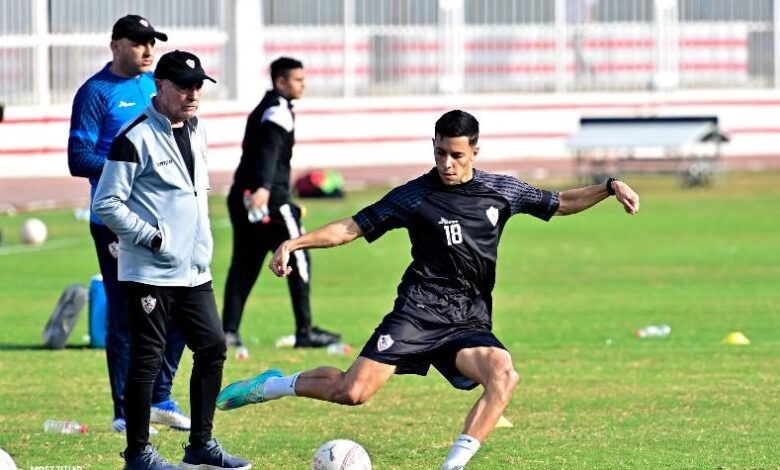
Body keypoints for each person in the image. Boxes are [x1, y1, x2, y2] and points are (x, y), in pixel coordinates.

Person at [217, 110, 640, 469]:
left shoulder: (502, 190)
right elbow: (352, 227)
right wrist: (294, 242)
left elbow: (560, 202)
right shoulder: (414, 195)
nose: (447, 164)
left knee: (504, 374)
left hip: (468, 320)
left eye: (457, 155)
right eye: (440, 153)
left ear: (475, 151)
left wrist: (608, 187)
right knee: (351, 391)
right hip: (418, 313)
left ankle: (453, 465)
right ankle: (272, 385)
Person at [92, 50, 250, 470]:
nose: (192, 93)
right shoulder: (134, 137)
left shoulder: (197, 130)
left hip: (195, 268)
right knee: (147, 358)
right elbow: (106, 201)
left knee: (213, 347)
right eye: (183, 86)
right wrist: (150, 236)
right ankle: (138, 453)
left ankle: (201, 444)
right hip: (150, 270)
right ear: (160, 86)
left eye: (198, 86)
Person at [67, 14, 189, 434]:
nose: (148, 50)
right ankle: (125, 412)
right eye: (139, 42)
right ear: (115, 45)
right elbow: (78, 158)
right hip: (114, 223)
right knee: (126, 316)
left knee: (181, 308)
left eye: (152, 42)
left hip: (163, 219)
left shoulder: (154, 85)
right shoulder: (95, 93)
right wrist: (133, 168)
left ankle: (159, 398)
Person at [222, 56, 340, 352]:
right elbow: (269, 151)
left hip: (242, 194)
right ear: (281, 82)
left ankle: (229, 332)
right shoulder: (278, 111)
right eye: (298, 80)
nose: (304, 84)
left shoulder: (262, 109)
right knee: (299, 254)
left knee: (244, 265)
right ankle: (305, 330)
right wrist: (263, 187)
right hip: (270, 198)